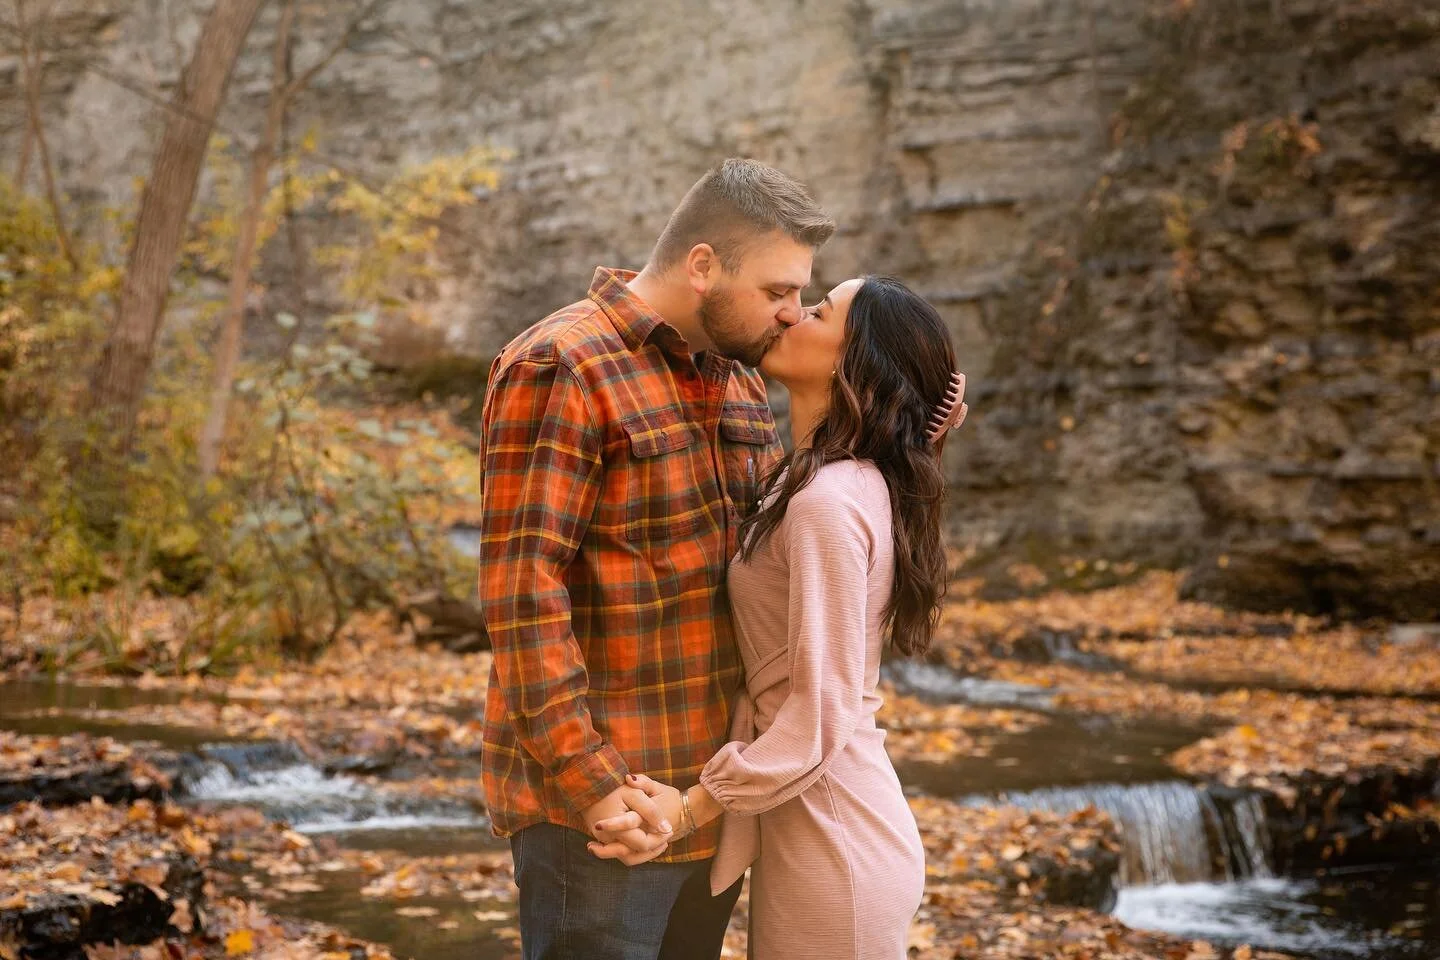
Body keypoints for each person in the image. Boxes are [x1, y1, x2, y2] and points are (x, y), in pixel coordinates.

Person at [475, 158, 836, 960]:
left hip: (703, 803)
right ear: (703, 264)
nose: (793, 314)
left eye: (801, 295)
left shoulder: (737, 382)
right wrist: (592, 781)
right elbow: (521, 594)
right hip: (599, 819)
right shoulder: (562, 363)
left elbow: (774, 558)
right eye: (778, 292)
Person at [590, 275, 969, 959]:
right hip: (820, 823)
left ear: (856, 363)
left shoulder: (828, 500)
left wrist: (690, 809)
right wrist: (926, 420)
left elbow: (820, 712)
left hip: (836, 837)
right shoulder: (830, 480)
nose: (794, 316)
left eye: (820, 312)